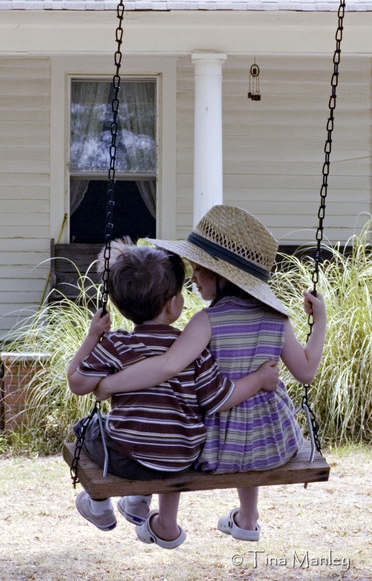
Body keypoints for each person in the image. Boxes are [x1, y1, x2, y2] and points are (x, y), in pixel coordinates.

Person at [95, 205, 327, 542]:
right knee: (251, 423)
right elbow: (306, 371)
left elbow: (168, 365)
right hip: (274, 442)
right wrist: (319, 322)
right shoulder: (278, 318)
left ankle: (156, 515)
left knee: (172, 431)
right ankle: (247, 520)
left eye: (199, 271)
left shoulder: (206, 321)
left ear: (223, 277)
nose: (192, 278)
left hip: (217, 444)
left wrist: (108, 384)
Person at [67, 237, 279, 549]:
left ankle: (99, 505)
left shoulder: (117, 345)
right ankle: (138, 503)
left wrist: (92, 336)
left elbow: (77, 383)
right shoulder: (192, 349)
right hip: (182, 457)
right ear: (173, 304)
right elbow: (220, 398)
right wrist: (259, 379)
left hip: (130, 456)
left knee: (87, 431)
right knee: (163, 437)